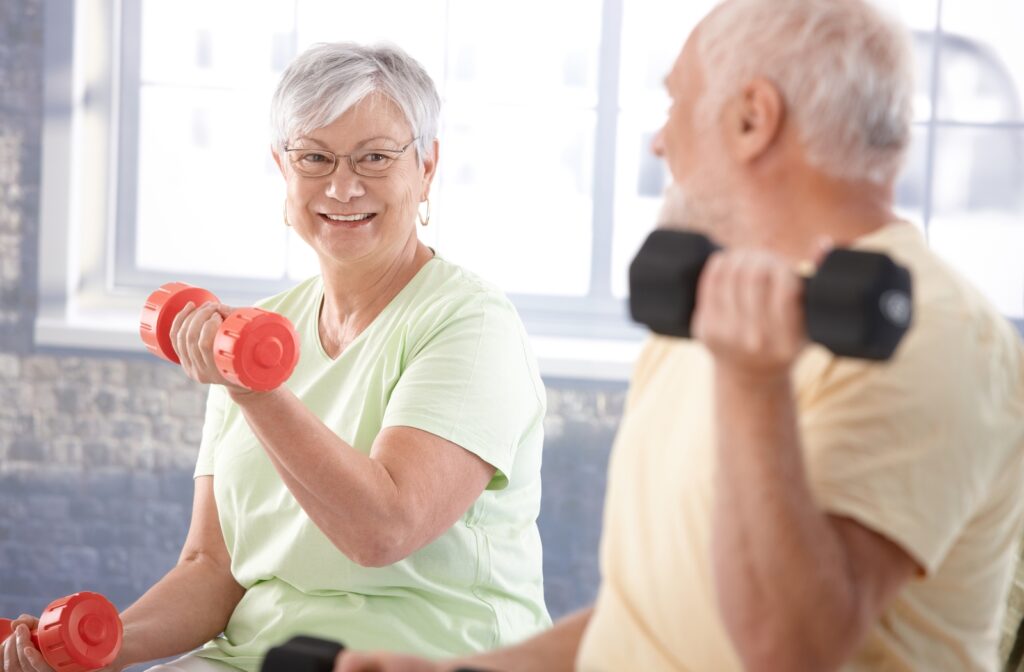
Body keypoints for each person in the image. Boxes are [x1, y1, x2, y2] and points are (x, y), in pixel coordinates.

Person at [335, 1, 1024, 670]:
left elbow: (789, 652)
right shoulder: (708, 313)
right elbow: (648, 624)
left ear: (753, 119)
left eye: (675, 105)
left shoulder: (932, 333)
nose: (661, 141)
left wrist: (754, 383)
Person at [0, 42, 551, 672]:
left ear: (426, 167)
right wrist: (93, 651)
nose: (342, 185)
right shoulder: (255, 333)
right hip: (254, 657)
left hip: (424, 657)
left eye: (375, 156)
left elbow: (383, 532)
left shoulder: (470, 324)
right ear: (282, 169)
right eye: (314, 157)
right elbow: (211, 569)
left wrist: (255, 391)